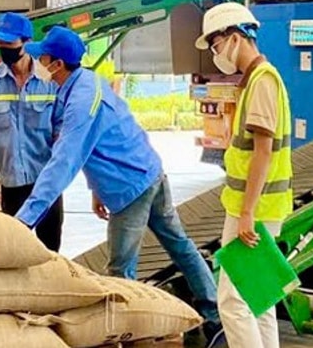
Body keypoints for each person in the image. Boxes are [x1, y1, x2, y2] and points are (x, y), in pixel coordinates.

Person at [13, 26, 222, 343]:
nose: (37, 61)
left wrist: (23, 221)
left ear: (56, 63)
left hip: (131, 189)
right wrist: (97, 188)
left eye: (41, 57)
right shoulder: (86, 82)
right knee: (180, 245)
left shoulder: (81, 103)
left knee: (120, 271)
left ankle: (128, 337)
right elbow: (104, 141)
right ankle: (213, 313)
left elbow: (63, 163)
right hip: (150, 170)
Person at [195, 3, 293, 348]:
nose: (216, 53)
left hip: (255, 209)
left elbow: (263, 152)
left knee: (233, 302)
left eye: (216, 45)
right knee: (258, 298)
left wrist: (248, 213)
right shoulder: (254, 80)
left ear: (236, 38)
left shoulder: (263, 81)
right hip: (256, 206)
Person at [0, 12, 61, 251]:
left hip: (47, 182)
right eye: (0, 43)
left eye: (9, 43)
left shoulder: (50, 83)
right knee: (12, 250)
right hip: (10, 183)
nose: (3, 48)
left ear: (26, 43)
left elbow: (62, 133)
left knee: (50, 251)